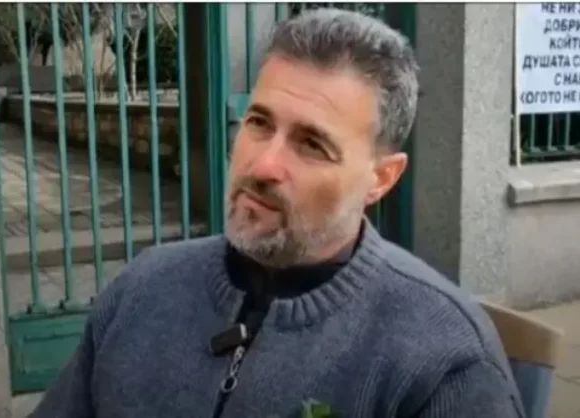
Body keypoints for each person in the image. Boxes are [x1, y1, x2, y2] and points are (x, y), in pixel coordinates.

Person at [30, 8, 525, 418]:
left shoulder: (445, 360)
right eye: (259, 123)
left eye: (312, 144)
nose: (263, 164)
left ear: (381, 178)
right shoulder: (142, 290)